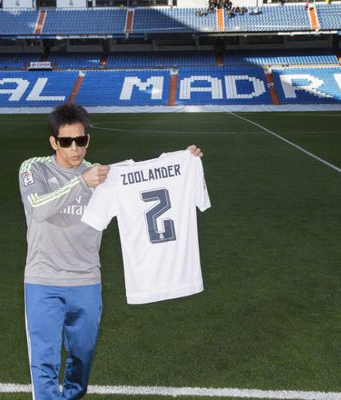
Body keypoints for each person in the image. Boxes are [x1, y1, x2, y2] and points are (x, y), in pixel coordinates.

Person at [19, 103, 203, 400]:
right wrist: (81, 182)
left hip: (86, 281)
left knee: (83, 357)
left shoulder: (103, 177)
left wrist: (184, 162)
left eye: (81, 140)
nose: (75, 148)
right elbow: (38, 209)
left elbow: (147, 178)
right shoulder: (34, 167)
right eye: (66, 142)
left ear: (88, 140)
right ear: (53, 142)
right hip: (43, 281)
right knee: (44, 362)